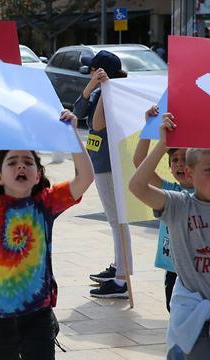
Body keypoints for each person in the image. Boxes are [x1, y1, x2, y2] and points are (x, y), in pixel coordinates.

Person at [0, 106, 94, 359]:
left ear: (38, 174)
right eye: (13, 162)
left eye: (28, 162)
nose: (21, 166)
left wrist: (73, 134)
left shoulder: (47, 202)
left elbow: (85, 177)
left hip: (38, 314)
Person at [129, 115, 210, 359]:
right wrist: (163, 143)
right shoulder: (178, 204)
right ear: (190, 172)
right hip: (195, 316)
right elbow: (137, 186)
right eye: (209, 170)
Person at [73, 50, 132, 298]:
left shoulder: (114, 93)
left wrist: (104, 89)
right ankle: (119, 267)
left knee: (117, 220)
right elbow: (77, 110)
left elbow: (97, 125)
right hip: (99, 161)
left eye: (92, 69)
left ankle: (121, 280)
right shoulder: (99, 90)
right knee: (115, 220)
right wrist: (92, 87)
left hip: (110, 163)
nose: (88, 72)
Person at [133, 105, 193, 313]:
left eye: (185, 159)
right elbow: (140, 163)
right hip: (172, 268)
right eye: (175, 160)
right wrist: (149, 127)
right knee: (173, 310)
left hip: (198, 270)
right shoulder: (168, 191)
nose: (179, 164)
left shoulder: (205, 193)